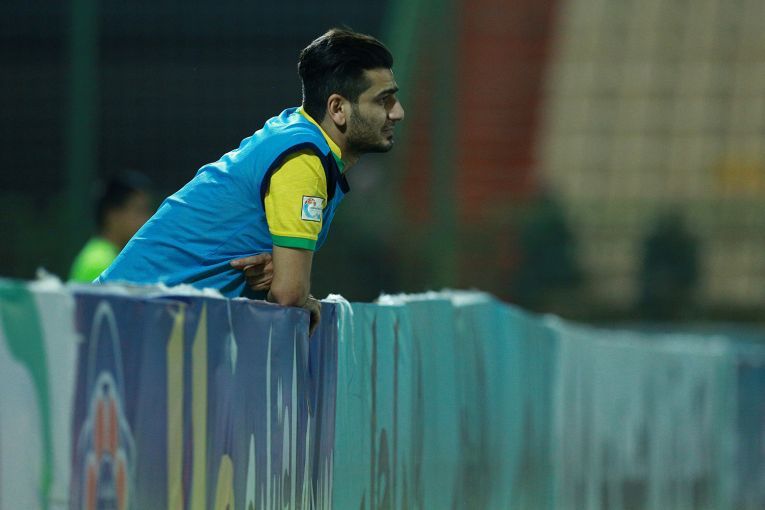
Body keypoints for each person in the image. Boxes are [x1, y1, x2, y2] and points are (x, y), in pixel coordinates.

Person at [97, 28, 405, 335]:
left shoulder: (298, 135)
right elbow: (289, 294)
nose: (398, 112)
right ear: (337, 108)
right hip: (125, 325)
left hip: (130, 319)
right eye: (384, 100)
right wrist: (297, 293)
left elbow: (277, 279)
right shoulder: (304, 161)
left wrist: (278, 272)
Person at [69, 173, 153, 282]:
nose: (148, 218)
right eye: (139, 210)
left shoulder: (102, 255)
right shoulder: (101, 262)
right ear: (113, 214)